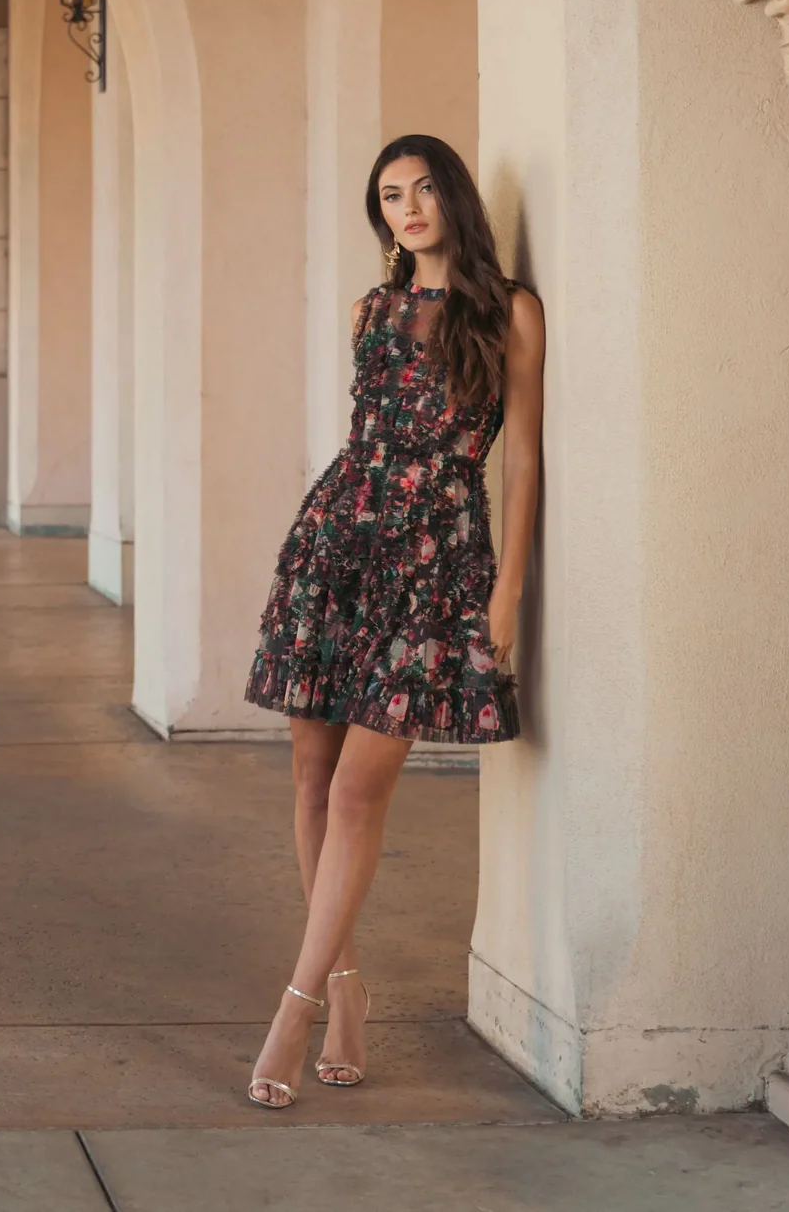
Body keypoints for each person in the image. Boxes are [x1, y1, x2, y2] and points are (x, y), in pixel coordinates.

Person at [243, 134, 544, 1108]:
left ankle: (292, 1007)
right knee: (312, 778)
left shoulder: (509, 311)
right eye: (389, 196)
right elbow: (365, 438)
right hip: (338, 545)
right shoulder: (372, 309)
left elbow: (523, 457)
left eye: (422, 190)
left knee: (359, 790)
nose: (408, 209)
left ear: (453, 198)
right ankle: (343, 987)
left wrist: (505, 593)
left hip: (434, 564)